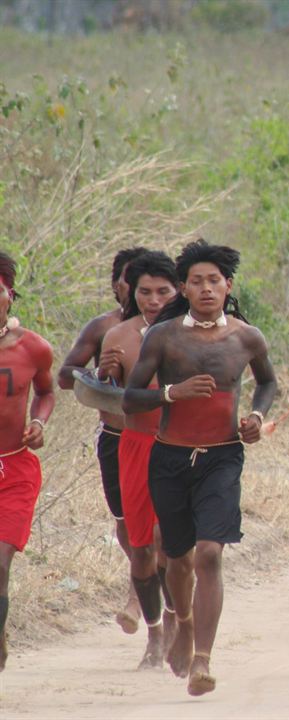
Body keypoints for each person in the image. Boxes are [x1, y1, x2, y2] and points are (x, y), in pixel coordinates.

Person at [122, 239, 277, 695]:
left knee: (210, 553)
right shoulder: (164, 337)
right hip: (169, 456)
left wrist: (257, 417)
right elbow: (130, 398)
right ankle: (183, 624)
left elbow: (267, 382)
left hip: (223, 457)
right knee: (176, 555)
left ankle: (203, 660)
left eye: (214, 280)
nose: (207, 289)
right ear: (183, 291)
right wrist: (172, 393)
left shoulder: (247, 337)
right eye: (196, 282)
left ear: (229, 286)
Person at [57, 246, 147, 634]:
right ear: (117, 285)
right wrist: (100, 372)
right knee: (125, 524)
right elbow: (64, 376)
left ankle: (138, 598)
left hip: (161, 438)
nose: (141, 289)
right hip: (114, 436)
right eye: (132, 279)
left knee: (156, 526)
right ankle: (147, 581)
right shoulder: (102, 328)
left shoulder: (169, 328)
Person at [97, 251, 180, 669]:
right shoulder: (119, 336)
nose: (153, 299)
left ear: (178, 289)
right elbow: (107, 402)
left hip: (179, 446)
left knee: (171, 543)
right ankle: (155, 630)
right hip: (134, 445)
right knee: (142, 548)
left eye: (162, 291)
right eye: (144, 291)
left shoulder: (193, 333)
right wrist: (106, 377)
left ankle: (174, 624)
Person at [0, 251, 55, 672]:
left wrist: (38, 422)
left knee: (0, 560)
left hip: (14, 468)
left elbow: (46, 392)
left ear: (10, 296)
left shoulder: (34, 348)